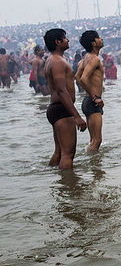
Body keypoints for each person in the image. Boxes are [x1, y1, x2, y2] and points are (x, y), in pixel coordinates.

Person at [43, 28, 87, 169]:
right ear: (58, 42)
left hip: (57, 109)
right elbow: (62, 91)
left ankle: (56, 181)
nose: (68, 40)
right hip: (62, 109)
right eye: (65, 38)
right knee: (68, 154)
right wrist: (77, 116)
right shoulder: (57, 62)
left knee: (60, 152)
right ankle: (69, 187)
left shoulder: (53, 60)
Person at [76, 30, 105, 152]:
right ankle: (95, 169)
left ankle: (93, 166)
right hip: (92, 101)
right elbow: (82, 79)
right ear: (93, 43)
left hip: (88, 101)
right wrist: (95, 96)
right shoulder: (94, 59)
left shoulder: (85, 59)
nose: (101, 39)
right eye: (98, 38)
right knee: (97, 141)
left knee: (93, 140)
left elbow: (77, 76)